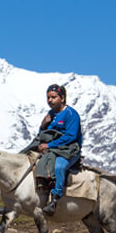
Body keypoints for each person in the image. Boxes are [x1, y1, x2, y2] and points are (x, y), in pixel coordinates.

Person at [36, 84, 83, 215]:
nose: (50, 100)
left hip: (69, 149)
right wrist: (43, 125)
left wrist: (50, 145)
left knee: (59, 166)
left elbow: (71, 136)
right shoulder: (50, 114)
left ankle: (55, 199)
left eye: (53, 97)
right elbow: (45, 134)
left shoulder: (71, 114)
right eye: (48, 98)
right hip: (52, 149)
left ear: (62, 98)